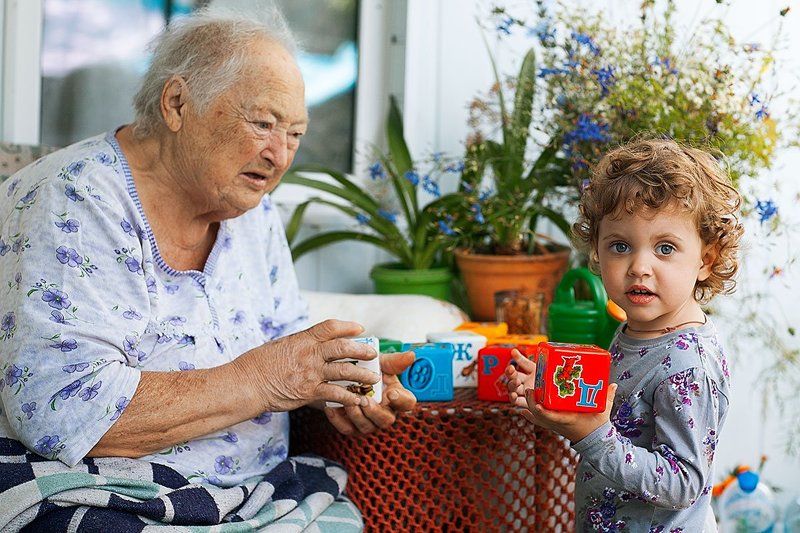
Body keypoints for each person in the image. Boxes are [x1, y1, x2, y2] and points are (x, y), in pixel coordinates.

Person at [0, 6, 415, 530]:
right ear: (177, 104)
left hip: (262, 494)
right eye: (263, 124)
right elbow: (61, 413)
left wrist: (340, 384)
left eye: (295, 135)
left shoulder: (252, 209)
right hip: (105, 495)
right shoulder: (73, 199)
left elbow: (288, 350)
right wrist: (266, 379)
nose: (280, 156)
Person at [506, 139, 743, 532]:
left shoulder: (688, 366)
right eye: (620, 246)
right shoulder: (639, 329)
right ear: (597, 252)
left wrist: (593, 435)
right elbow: (622, 416)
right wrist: (556, 388)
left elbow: (683, 484)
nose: (639, 267)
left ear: (706, 260)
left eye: (665, 248)